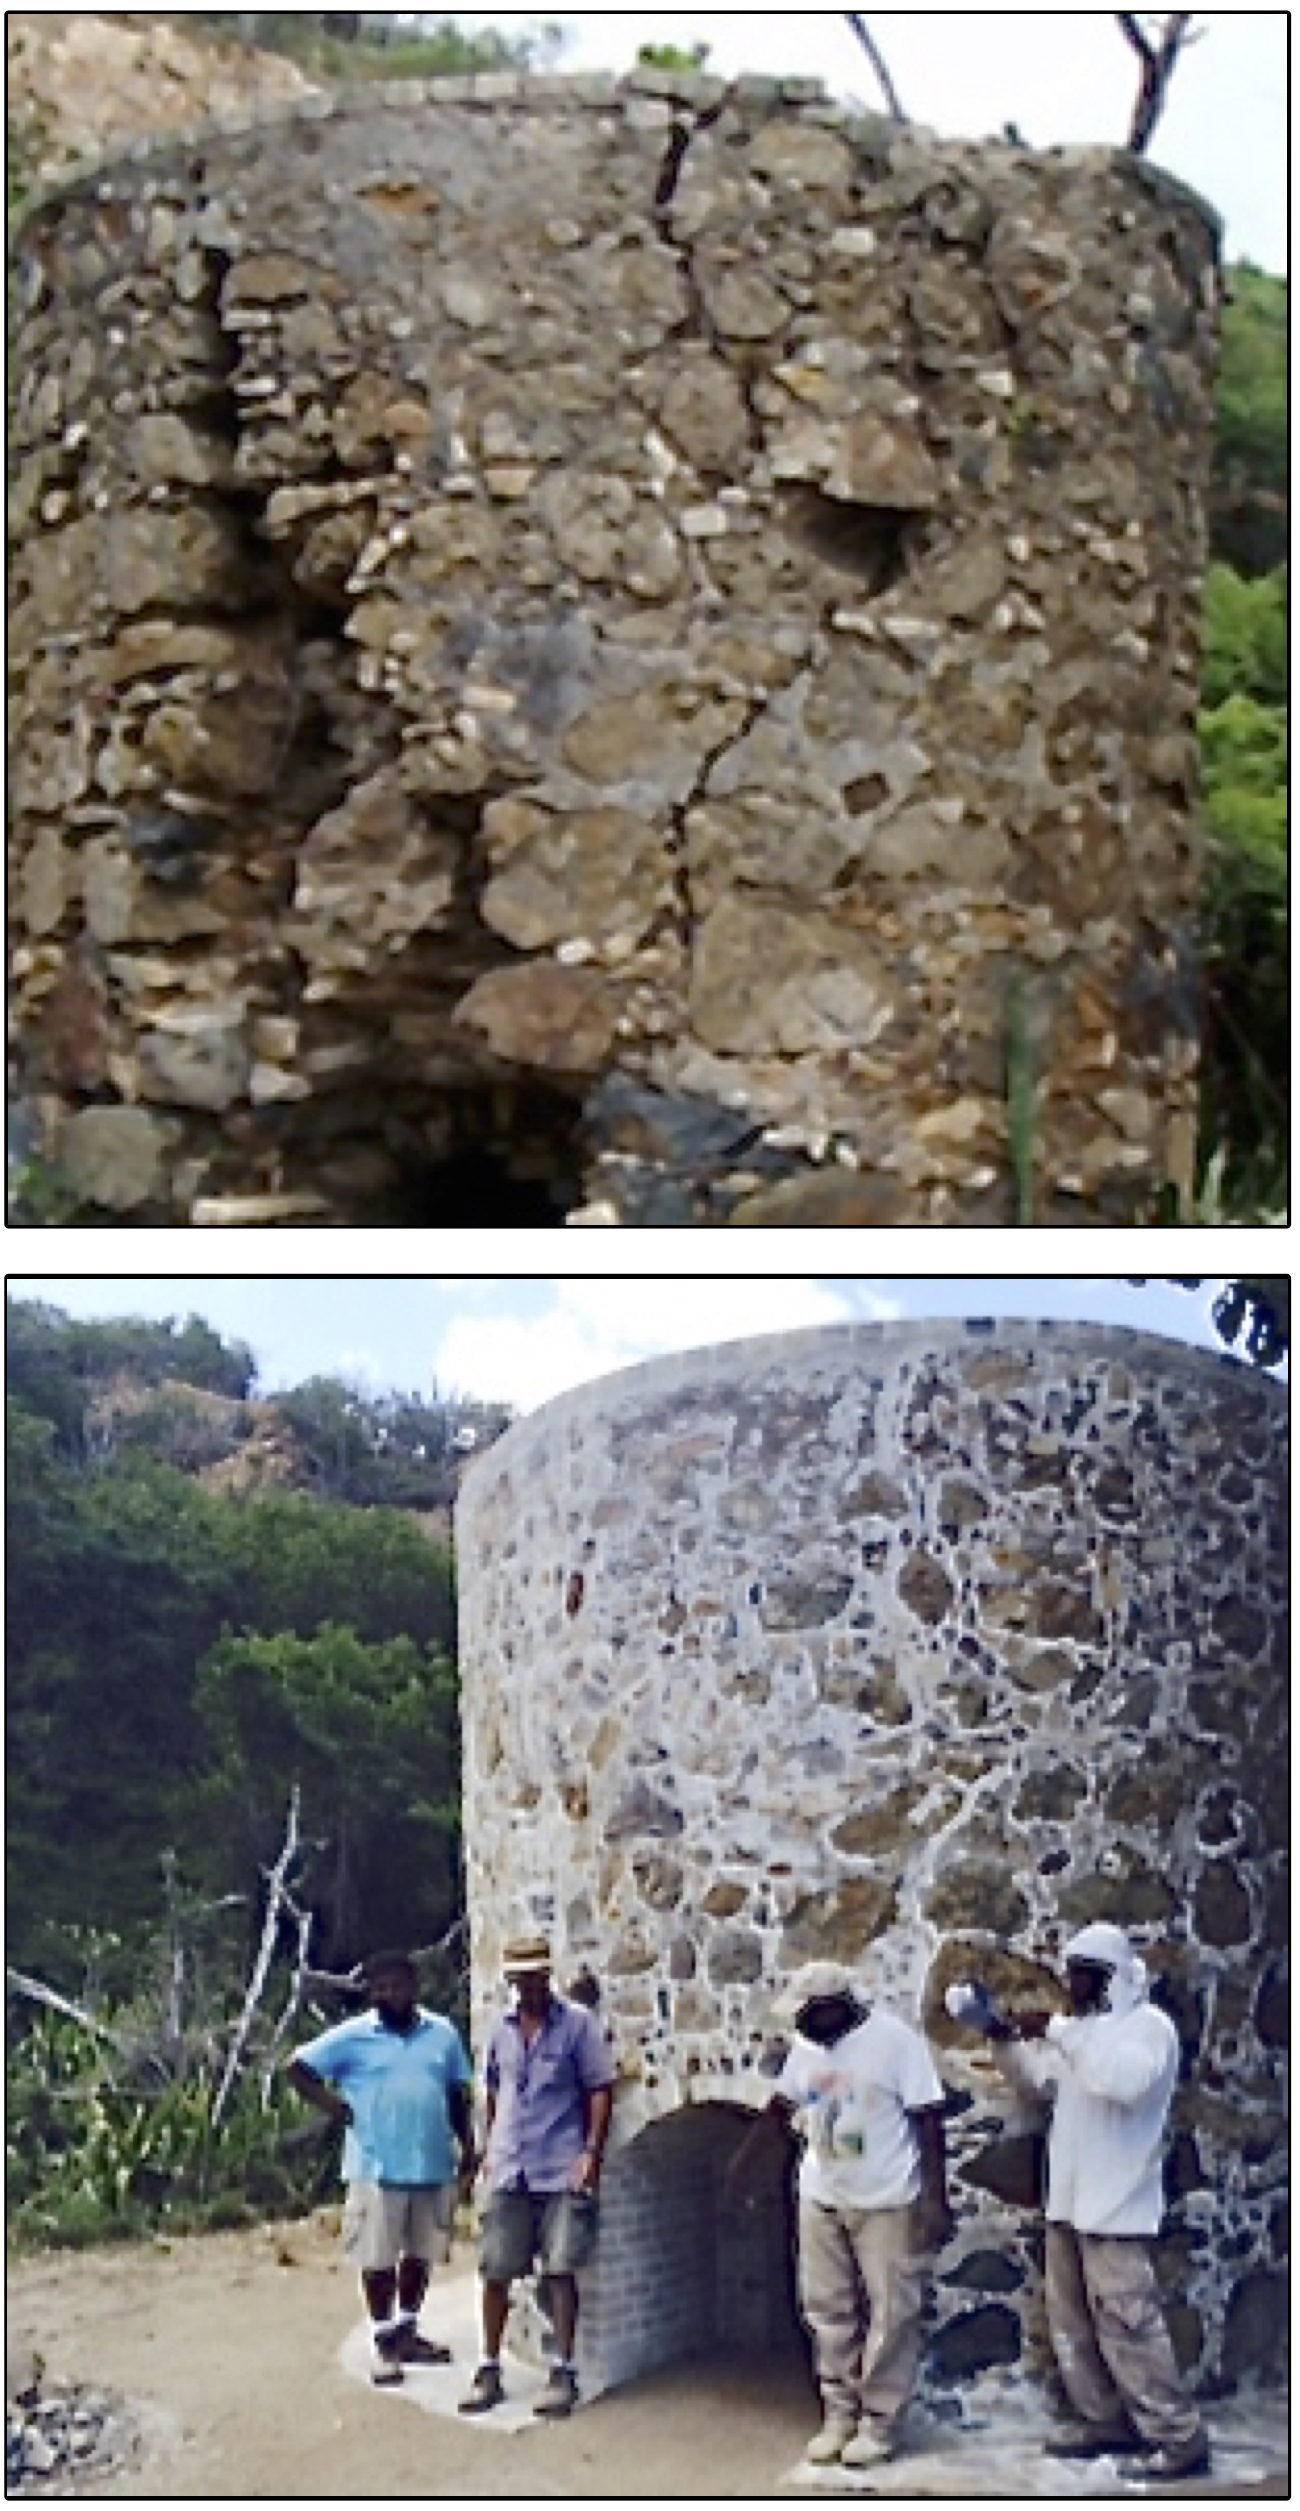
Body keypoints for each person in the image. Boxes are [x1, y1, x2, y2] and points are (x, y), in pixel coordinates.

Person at [968, 1920, 1212, 2481]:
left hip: (1119, 2207)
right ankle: (1105, 2421)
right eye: (1071, 1972)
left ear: (1114, 1975)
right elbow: (1040, 2084)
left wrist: (1057, 2030)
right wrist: (1002, 2037)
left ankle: (1177, 2435)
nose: (1074, 1984)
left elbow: (1122, 2083)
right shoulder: (1079, 2033)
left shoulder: (1148, 2029)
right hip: (1070, 2202)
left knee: (1130, 2325)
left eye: (1086, 1974)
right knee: (1072, 2326)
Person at [726, 1959, 953, 2471]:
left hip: (887, 2197)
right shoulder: (808, 2048)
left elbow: (928, 2117)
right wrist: (743, 2166)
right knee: (826, 2309)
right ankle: (839, 2413)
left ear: (834, 2008)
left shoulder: (895, 2042)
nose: (798, 2026)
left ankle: (880, 2421)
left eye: (806, 2015)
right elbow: (782, 2107)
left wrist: (934, 2200)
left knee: (892, 2312)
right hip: (822, 2192)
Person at [287, 1949, 475, 2386]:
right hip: (376, 2165)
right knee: (377, 2259)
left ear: (414, 1986)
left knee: (421, 2254)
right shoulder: (354, 2036)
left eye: (395, 1985)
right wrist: (334, 2107)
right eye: (378, 1988)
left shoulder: (442, 2034)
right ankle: (384, 2340)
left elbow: (455, 2095)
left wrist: (467, 2146)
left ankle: (408, 2330)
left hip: (431, 2162)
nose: (386, 1994)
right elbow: (296, 2068)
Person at [458, 1935, 615, 2421]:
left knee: (560, 2267)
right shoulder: (501, 2030)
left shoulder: (578, 2026)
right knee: (496, 2268)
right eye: (519, 1979)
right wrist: (488, 2147)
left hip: (559, 2161)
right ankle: (488, 2367)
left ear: (548, 1977)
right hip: (511, 2164)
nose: (528, 1987)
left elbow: (599, 2088)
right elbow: (492, 2087)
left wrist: (591, 2151)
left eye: (535, 1977)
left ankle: (562, 2368)